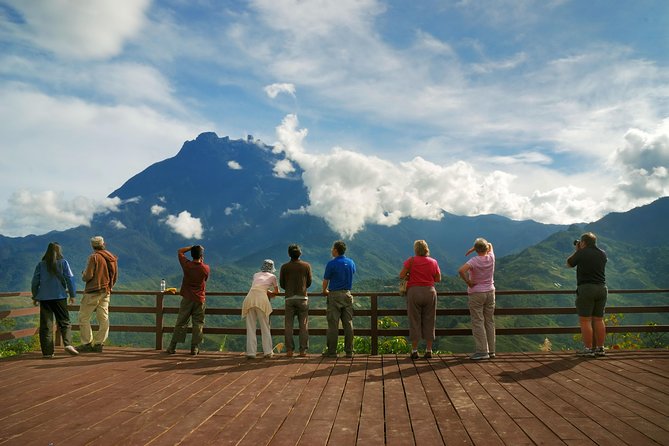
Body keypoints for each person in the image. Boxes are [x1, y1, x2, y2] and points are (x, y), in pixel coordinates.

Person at [31, 242, 79, 358]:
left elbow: (35, 282)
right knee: (64, 322)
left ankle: (47, 353)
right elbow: (70, 279)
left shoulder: (41, 264)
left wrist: (35, 296)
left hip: (44, 298)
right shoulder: (63, 263)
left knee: (46, 325)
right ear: (59, 251)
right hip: (60, 296)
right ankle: (67, 344)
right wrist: (72, 295)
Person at [567, 232, 608, 358]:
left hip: (586, 289)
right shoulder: (602, 253)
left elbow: (569, 263)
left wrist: (577, 250)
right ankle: (600, 348)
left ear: (583, 242)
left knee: (585, 320)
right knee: (599, 319)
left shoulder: (581, 252)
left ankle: (589, 349)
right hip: (602, 288)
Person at [399, 240, 442, 360]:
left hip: (414, 292)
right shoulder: (433, 262)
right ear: (427, 249)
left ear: (416, 249)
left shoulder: (411, 261)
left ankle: (414, 351)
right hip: (430, 292)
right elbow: (438, 279)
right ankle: (429, 350)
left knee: (414, 320)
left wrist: (410, 275)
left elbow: (401, 275)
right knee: (430, 320)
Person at [166, 245, 210, 356]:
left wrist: (192, 247)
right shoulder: (206, 268)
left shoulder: (187, 265)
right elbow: (205, 279)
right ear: (202, 256)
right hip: (199, 299)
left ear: (192, 255)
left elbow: (179, 251)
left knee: (181, 322)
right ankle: (194, 348)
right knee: (198, 324)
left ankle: (172, 347)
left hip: (186, 298)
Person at [458, 238, 496, 360]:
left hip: (476, 294)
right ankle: (492, 351)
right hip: (490, 292)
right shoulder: (491, 257)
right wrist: (477, 247)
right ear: (486, 249)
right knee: (489, 321)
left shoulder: (474, 261)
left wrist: (468, 282)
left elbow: (461, 270)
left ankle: (482, 351)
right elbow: (490, 244)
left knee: (478, 321)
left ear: (477, 250)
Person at [79, 236, 118, 353]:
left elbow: (88, 276)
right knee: (103, 318)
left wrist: (83, 275)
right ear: (103, 244)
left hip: (92, 292)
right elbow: (115, 276)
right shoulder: (112, 257)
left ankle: (86, 344)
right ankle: (99, 344)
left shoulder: (94, 257)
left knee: (83, 317)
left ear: (92, 246)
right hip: (106, 291)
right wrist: (110, 286)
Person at [322, 240, 356, 358]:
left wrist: (324, 291)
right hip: (347, 294)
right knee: (348, 323)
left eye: (332, 249)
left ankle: (331, 352)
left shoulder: (331, 264)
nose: (331, 250)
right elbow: (353, 273)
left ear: (336, 250)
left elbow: (326, 280)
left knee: (333, 325)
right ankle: (349, 351)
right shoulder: (351, 262)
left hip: (334, 295)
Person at [280, 244, 313, 357]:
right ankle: (303, 350)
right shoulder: (306, 266)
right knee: (303, 325)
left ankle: (289, 350)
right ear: (300, 253)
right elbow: (309, 282)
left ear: (289, 254)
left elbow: (282, 284)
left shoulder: (284, 267)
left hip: (289, 298)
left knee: (288, 325)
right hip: (302, 298)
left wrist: (289, 289)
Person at [242, 259, 279, 359]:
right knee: (265, 326)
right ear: (272, 268)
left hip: (249, 299)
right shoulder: (273, 277)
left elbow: (256, 286)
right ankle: (268, 352)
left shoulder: (255, 274)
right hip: (261, 300)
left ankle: (251, 353)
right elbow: (277, 291)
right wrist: (269, 291)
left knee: (250, 327)